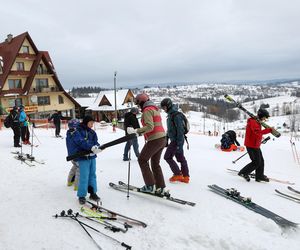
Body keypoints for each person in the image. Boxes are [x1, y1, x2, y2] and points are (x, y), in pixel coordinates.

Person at [127, 93, 167, 195]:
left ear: (141, 102)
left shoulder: (147, 110)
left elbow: (150, 127)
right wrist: (140, 132)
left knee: (142, 160)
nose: (138, 106)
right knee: (155, 163)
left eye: (138, 103)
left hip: (155, 139)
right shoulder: (154, 109)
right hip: (162, 138)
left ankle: (149, 186)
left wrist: (136, 131)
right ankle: (160, 187)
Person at [68, 115, 102, 204]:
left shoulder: (92, 132)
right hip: (83, 157)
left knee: (92, 175)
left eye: (93, 123)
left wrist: (97, 147)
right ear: (86, 122)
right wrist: (91, 147)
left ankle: (93, 192)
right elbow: (80, 141)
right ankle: (82, 195)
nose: (92, 125)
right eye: (90, 123)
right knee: (84, 176)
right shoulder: (78, 131)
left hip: (92, 157)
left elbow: (96, 142)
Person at [238, 109, 274, 182]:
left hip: (255, 145)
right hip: (251, 145)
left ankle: (259, 176)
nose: (265, 119)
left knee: (261, 161)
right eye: (265, 117)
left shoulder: (257, 121)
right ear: (261, 115)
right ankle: (243, 173)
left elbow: (257, 134)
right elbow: (257, 132)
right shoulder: (253, 122)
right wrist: (269, 130)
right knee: (256, 162)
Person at [160, 98, 190, 184]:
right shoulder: (171, 115)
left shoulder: (176, 116)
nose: (164, 109)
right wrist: (167, 139)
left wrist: (179, 144)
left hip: (177, 141)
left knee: (167, 157)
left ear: (169, 106)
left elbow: (180, 130)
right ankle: (186, 176)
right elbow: (170, 130)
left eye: (164, 107)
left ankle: (178, 174)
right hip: (175, 140)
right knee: (181, 158)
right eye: (163, 108)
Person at [66, 119, 81, 191]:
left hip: (71, 155)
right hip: (76, 155)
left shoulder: (68, 134)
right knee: (79, 169)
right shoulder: (76, 135)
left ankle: (69, 181)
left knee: (74, 167)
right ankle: (77, 185)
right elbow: (79, 143)